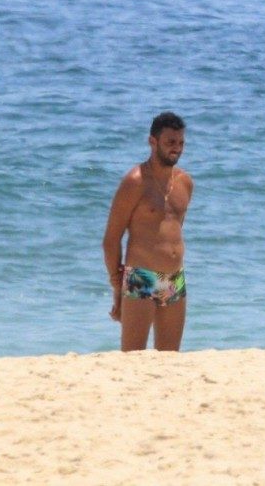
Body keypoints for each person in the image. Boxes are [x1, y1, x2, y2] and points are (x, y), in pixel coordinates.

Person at [101, 111, 195, 351]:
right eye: (170, 143)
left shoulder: (185, 182)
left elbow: (171, 231)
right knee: (133, 361)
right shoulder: (135, 181)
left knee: (170, 361)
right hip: (141, 279)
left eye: (181, 143)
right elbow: (111, 239)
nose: (177, 149)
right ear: (152, 142)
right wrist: (117, 287)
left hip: (175, 280)